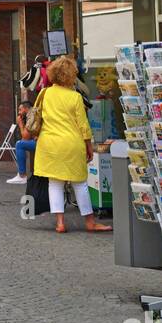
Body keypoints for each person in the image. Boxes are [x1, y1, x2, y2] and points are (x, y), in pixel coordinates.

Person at [32, 55, 112, 234]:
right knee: (80, 183)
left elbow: (37, 116)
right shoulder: (75, 97)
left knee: (54, 183)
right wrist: (89, 146)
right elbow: (83, 124)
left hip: (49, 144)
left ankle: (60, 222)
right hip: (71, 144)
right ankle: (90, 222)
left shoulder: (45, 93)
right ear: (70, 76)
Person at [6, 103, 36, 184]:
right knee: (20, 143)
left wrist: (20, 124)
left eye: (20, 109)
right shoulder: (30, 116)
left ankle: (22, 175)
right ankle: (21, 174)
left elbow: (25, 137)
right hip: (40, 142)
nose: (19, 112)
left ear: (26, 109)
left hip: (41, 143)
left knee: (19, 144)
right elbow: (25, 138)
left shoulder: (32, 116)